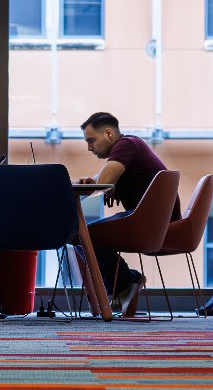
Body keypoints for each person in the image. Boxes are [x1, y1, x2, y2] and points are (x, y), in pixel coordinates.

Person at [74, 112, 180, 314]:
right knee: (83, 235)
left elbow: (104, 180)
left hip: (152, 224)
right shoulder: (129, 148)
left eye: (91, 141)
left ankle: (126, 283)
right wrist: (94, 182)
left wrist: (95, 183)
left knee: (82, 235)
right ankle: (123, 286)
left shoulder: (126, 144)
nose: (89, 148)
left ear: (108, 133)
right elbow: (102, 180)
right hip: (155, 220)